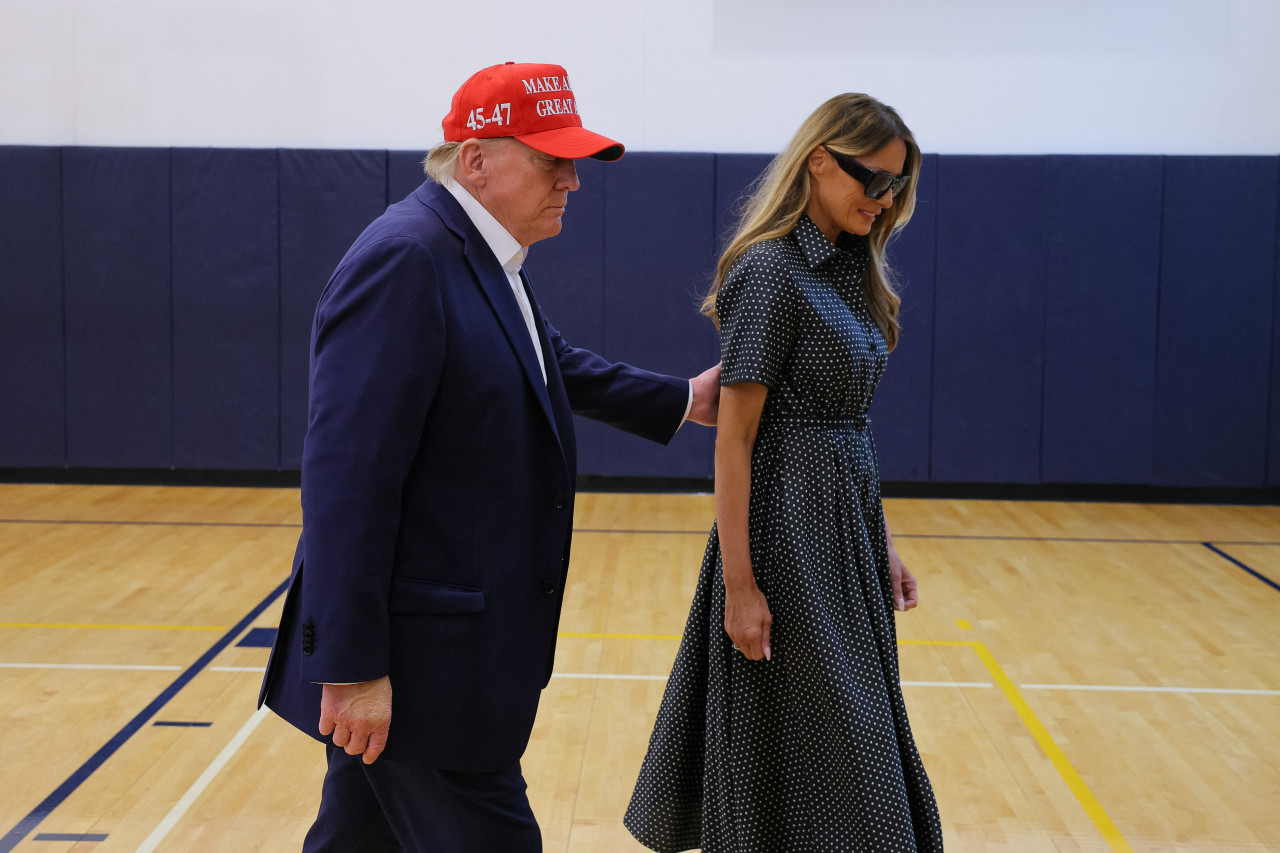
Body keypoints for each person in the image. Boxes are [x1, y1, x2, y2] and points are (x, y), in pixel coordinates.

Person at [258, 61, 720, 852]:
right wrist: (354, 666)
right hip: (417, 666)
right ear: (476, 159)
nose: (571, 179)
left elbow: (546, 360)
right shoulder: (407, 259)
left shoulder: (474, 252)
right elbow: (347, 478)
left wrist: (681, 398)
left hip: (437, 655)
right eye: (551, 159)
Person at [624, 93, 944, 852]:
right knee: (835, 738)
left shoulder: (851, 268)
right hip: (785, 537)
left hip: (845, 536)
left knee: (833, 737)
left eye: (897, 185)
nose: (884, 198)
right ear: (819, 161)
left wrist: (882, 541)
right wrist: (740, 585)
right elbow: (732, 442)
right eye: (872, 179)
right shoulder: (768, 271)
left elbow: (852, 427)